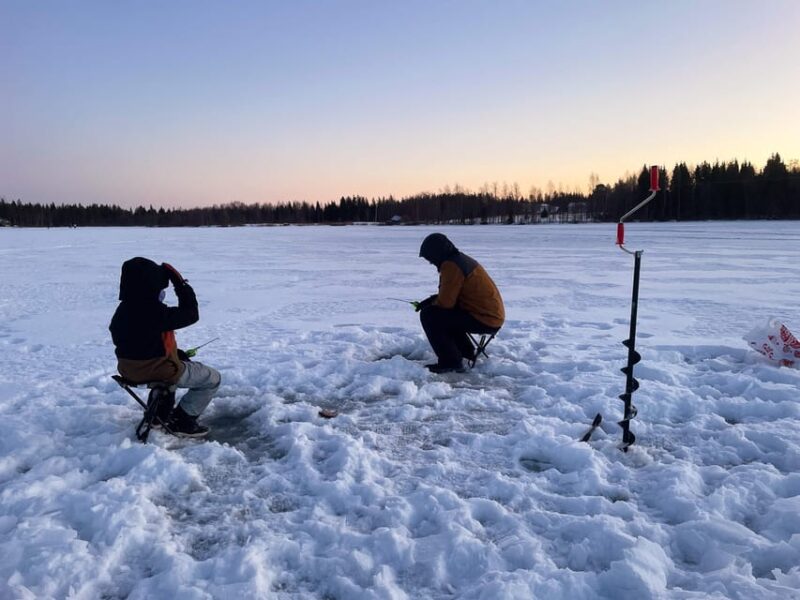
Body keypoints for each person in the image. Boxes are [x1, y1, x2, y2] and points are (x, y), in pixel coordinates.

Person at [109, 257, 220, 437]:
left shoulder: (121, 312)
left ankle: (157, 416)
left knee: (175, 364)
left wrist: (176, 353)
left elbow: (140, 343)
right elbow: (191, 314)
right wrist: (180, 284)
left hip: (128, 371)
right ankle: (184, 421)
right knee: (212, 378)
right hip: (159, 371)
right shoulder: (154, 311)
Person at [417, 233, 505, 373]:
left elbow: (446, 303)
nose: (431, 262)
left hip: (485, 318)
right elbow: (452, 296)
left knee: (429, 315)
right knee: (443, 314)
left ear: (437, 253)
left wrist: (431, 304)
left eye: (430, 258)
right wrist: (433, 300)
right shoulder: (458, 260)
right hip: (490, 316)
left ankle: (450, 362)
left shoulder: (451, 265)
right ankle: (465, 352)